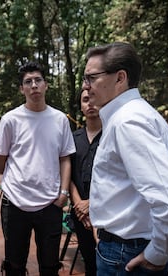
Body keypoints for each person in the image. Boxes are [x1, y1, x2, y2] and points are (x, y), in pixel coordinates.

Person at [82, 42, 168, 276]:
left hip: (126, 253)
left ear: (120, 78)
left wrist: (159, 253)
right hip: (123, 247)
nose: (86, 86)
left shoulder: (128, 121)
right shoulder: (131, 115)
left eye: (91, 78)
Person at [0, 61, 76, 275]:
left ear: (46, 85)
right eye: (28, 82)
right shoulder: (10, 119)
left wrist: (63, 193)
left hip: (50, 202)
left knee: (50, 265)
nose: (34, 85)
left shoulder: (60, 119)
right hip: (15, 202)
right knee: (15, 264)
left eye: (38, 80)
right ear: (22, 89)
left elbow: (65, 157)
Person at [69, 89, 101, 276]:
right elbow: (68, 175)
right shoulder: (73, 138)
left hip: (106, 210)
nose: (90, 104)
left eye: (94, 99)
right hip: (80, 212)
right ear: (80, 106)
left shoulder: (112, 135)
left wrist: (93, 204)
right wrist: (79, 204)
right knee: (89, 261)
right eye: (85, 100)